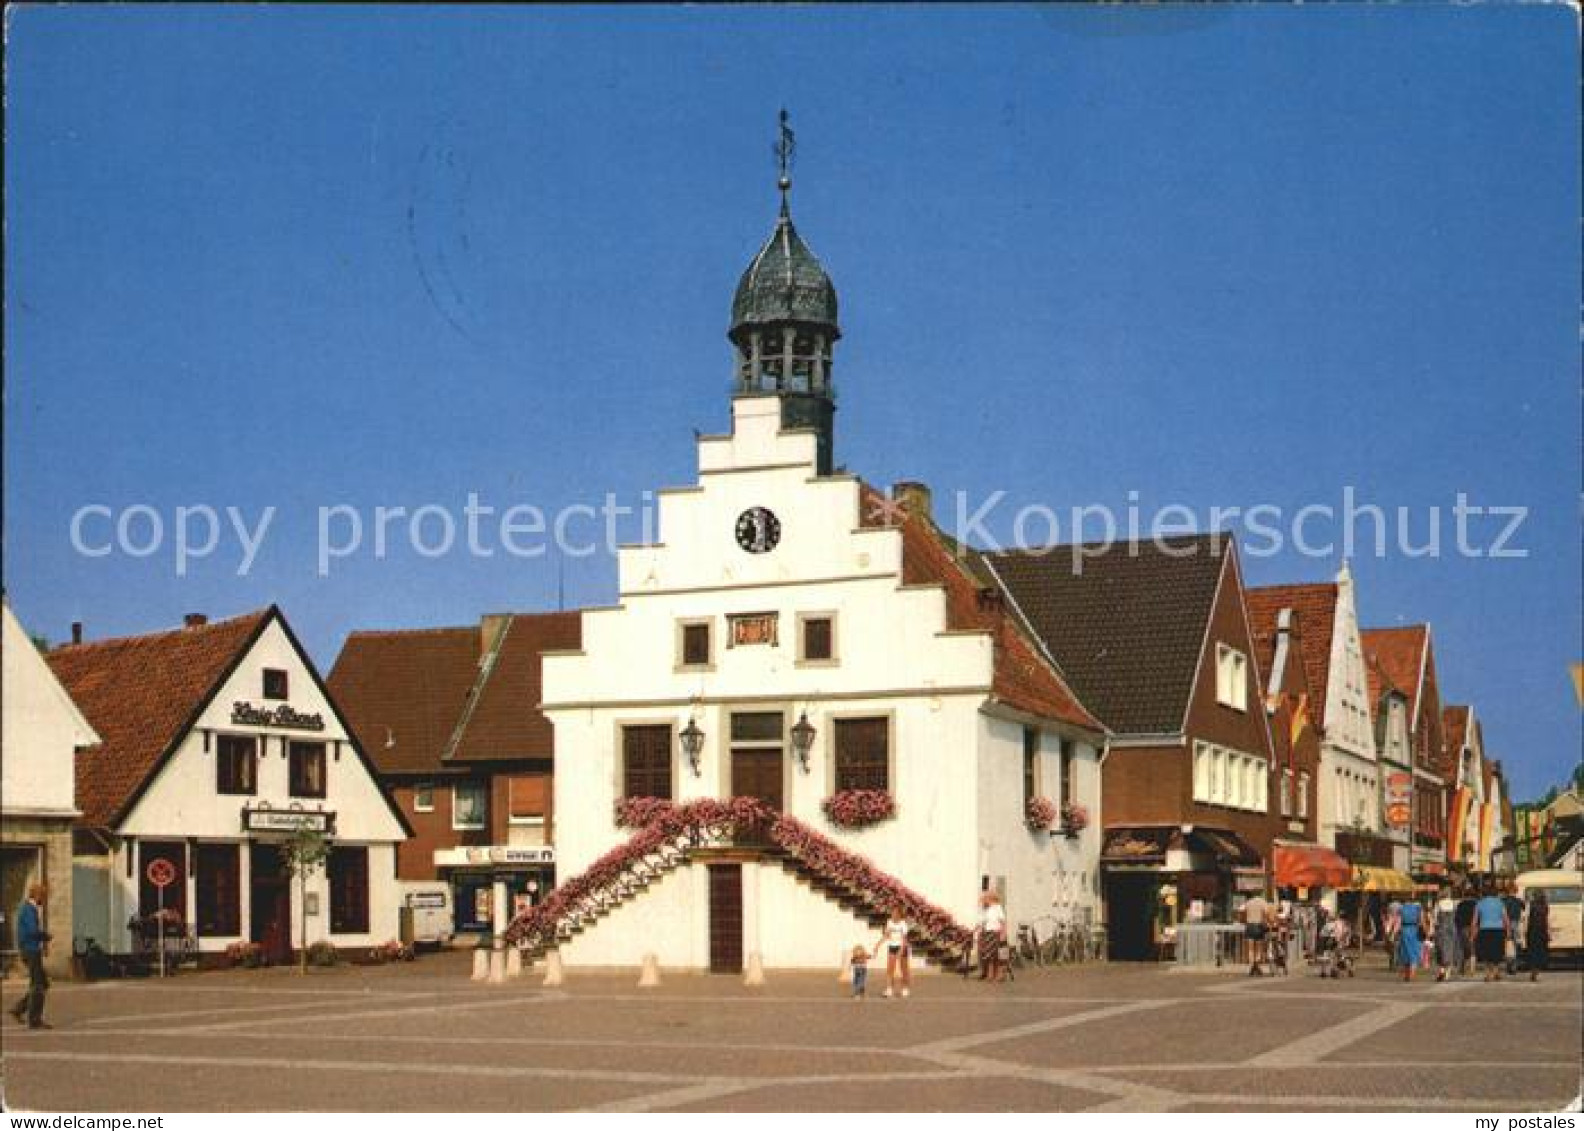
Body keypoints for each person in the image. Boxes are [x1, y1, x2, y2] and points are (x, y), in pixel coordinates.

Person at [8, 883, 52, 1030]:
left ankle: (19, 1009)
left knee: (42, 982)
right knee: (38, 985)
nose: (45, 900)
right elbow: (32, 931)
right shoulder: (29, 909)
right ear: (37, 896)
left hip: (30, 949)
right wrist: (44, 936)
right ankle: (34, 1020)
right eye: (44, 897)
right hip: (30, 950)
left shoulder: (29, 909)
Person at [1472, 884, 1511, 982]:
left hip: (1484, 929)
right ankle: (1496, 971)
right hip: (1498, 929)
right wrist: (1508, 931)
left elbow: (1475, 920)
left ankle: (1489, 973)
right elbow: (1505, 918)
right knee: (1497, 951)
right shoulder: (1500, 903)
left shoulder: (1480, 903)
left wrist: (1473, 932)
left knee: (1487, 952)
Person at [879, 906, 911, 999]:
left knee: (904, 969)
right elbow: (886, 935)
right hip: (892, 946)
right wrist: (878, 944)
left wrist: (901, 950)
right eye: (892, 912)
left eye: (896, 913)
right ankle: (889, 989)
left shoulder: (903, 924)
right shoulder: (889, 922)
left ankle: (905, 989)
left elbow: (904, 940)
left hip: (902, 947)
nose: (893, 914)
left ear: (900, 914)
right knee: (890, 969)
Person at [978, 892, 1007, 984]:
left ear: (990, 899)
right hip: (988, 933)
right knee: (989, 955)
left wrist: (1003, 934)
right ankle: (990, 975)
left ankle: (1000, 975)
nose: (983, 902)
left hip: (996, 933)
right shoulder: (987, 909)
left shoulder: (998, 908)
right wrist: (980, 931)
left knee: (998, 955)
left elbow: (1003, 922)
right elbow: (984, 922)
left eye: (985, 900)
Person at [1434, 890, 1462, 982]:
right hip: (1452, 929)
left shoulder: (1438, 904)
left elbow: (1435, 919)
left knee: (1441, 950)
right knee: (1450, 949)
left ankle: (1442, 970)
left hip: (1441, 929)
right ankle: (1447, 973)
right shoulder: (1454, 904)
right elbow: (1457, 917)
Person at [1523, 890, 1551, 983]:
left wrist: (1525, 931)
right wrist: (1548, 932)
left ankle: (1533, 971)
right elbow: (1546, 920)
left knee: (1532, 951)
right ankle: (1536, 972)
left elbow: (1526, 918)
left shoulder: (1530, 905)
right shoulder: (1546, 906)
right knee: (1541, 951)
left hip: (1532, 930)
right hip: (1542, 931)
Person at [1242, 892, 1271, 976]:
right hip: (1259, 926)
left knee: (1250, 948)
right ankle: (1257, 965)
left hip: (1249, 926)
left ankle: (1252, 965)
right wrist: (1267, 923)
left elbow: (1243, 913)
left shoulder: (1248, 902)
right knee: (1258, 947)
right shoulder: (1263, 902)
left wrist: (1245, 921)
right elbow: (1266, 914)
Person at [1396, 898, 1424, 982]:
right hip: (1414, 931)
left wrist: (1394, 933)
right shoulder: (1417, 908)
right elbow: (1421, 921)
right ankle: (1412, 974)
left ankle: (1407, 974)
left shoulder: (1401, 909)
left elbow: (1398, 922)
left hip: (1404, 931)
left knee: (1405, 952)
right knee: (1414, 952)